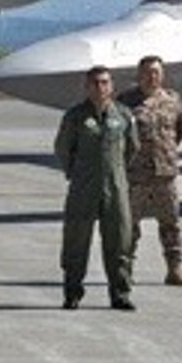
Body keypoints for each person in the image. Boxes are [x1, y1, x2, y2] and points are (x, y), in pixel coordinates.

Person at [54, 64, 139, 311]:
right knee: (76, 242)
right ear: (87, 87)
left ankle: (120, 293)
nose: (100, 87)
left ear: (111, 86)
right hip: (83, 189)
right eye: (95, 83)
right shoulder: (75, 116)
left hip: (115, 188)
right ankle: (72, 293)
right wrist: (77, 174)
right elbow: (63, 149)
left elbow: (132, 149)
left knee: (120, 242)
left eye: (105, 83)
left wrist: (117, 173)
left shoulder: (123, 115)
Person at [118, 55, 182, 287]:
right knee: (129, 225)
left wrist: (165, 152)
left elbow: (181, 129)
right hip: (135, 175)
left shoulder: (173, 101)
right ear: (139, 75)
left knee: (170, 223)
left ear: (162, 75)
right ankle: (124, 269)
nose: (152, 77)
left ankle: (174, 268)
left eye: (156, 72)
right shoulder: (125, 102)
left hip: (164, 174)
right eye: (148, 72)